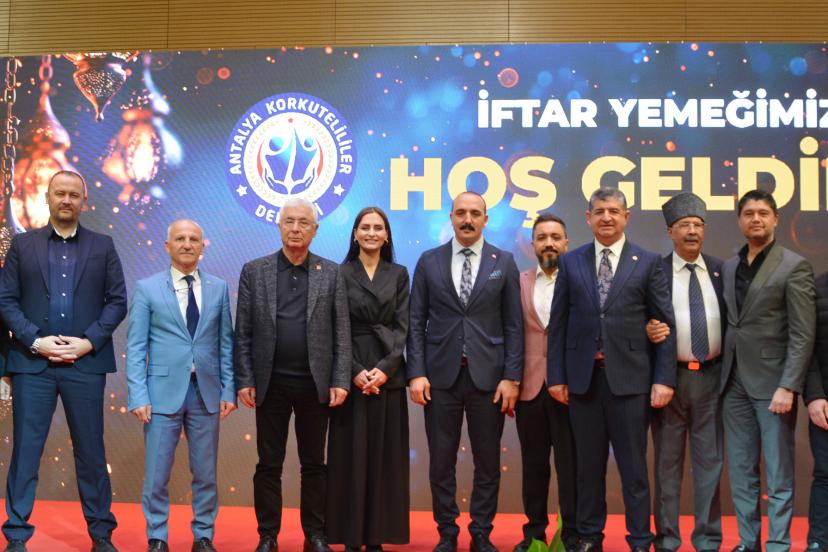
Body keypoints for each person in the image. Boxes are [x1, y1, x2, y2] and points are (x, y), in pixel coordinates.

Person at [0, 170, 127, 552]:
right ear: (48, 197)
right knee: (26, 452)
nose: (67, 200)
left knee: (91, 452)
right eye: (60, 193)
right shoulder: (23, 245)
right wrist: (35, 340)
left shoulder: (103, 245)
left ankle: (101, 534)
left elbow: (117, 301)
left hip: (83, 365)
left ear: (84, 201)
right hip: (32, 365)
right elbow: (6, 300)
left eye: (74, 194)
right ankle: (16, 534)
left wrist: (88, 342)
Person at [547, 187, 676, 552]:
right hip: (583, 382)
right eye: (600, 211)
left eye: (614, 211)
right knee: (587, 469)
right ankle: (590, 537)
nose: (606, 217)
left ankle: (639, 539)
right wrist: (556, 377)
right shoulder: (571, 262)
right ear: (588, 218)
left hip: (631, 382)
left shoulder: (647, 261)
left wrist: (664, 379)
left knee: (634, 470)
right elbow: (558, 324)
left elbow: (664, 323)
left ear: (626, 217)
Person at [407, 191, 523, 552]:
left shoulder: (504, 261)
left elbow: (514, 325)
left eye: (475, 213)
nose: (468, 219)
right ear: (451, 217)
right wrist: (416, 372)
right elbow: (415, 321)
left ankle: (481, 532)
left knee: (487, 461)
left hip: (489, 379)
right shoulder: (429, 261)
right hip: (440, 378)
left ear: (486, 219)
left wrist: (511, 377)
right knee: (441, 461)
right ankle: (447, 531)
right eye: (461, 213)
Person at [234, 198, 351, 552]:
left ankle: (315, 534)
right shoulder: (255, 271)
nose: (296, 228)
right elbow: (243, 332)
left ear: (315, 230)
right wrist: (245, 379)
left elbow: (342, 332)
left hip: (315, 384)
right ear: (279, 225)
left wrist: (340, 379)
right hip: (270, 383)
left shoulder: (332, 272)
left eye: (303, 222)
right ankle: (268, 535)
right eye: (289, 221)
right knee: (269, 464)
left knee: (314, 463)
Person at [126, 219, 237, 552]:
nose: (187, 244)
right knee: (157, 475)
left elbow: (226, 344)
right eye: (180, 238)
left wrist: (229, 389)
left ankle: (203, 536)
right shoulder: (147, 288)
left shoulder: (218, 288)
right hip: (160, 394)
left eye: (193, 239)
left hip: (206, 392)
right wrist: (138, 394)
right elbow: (136, 347)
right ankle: (157, 537)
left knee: (205, 473)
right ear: (167, 245)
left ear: (203, 245)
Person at [721, 189, 816, 552]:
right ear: (740, 221)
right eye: (749, 213)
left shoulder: (794, 265)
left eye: (763, 213)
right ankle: (749, 542)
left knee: (778, 472)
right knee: (741, 471)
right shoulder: (729, 266)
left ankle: (777, 543)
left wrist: (789, 386)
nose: (756, 219)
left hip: (774, 385)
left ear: (776, 218)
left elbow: (803, 333)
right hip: (732, 383)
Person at [326, 207, 410, 552]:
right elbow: (334, 327)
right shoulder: (339, 272)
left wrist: (385, 368)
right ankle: (350, 535)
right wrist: (354, 371)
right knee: (350, 456)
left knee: (384, 456)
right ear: (355, 233)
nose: (372, 233)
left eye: (378, 228)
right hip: (351, 372)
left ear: (386, 235)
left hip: (388, 371)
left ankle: (376, 536)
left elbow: (404, 326)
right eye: (365, 227)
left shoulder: (400, 273)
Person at [646, 193, 725, 552]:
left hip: (713, 379)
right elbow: (636, 317)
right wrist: (646, 330)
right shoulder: (654, 272)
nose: (692, 231)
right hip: (669, 379)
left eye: (697, 225)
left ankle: (708, 539)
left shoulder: (722, 270)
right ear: (670, 232)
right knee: (667, 466)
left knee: (710, 464)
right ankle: (666, 539)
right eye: (684, 225)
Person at [513, 213, 578, 552]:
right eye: (542, 237)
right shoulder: (519, 281)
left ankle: (571, 534)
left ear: (566, 242)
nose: (549, 243)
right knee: (534, 467)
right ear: (533, 244)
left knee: (571, 467)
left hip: (570, 389)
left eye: (555, 237)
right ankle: (534, 534)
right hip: (529, 388)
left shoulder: (580, 280)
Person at [804, 271, 828, 552]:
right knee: (825, 472)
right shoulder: (816, 288)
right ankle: (819, 540)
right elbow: (806, 348)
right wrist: (814, 396)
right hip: (824, 400)